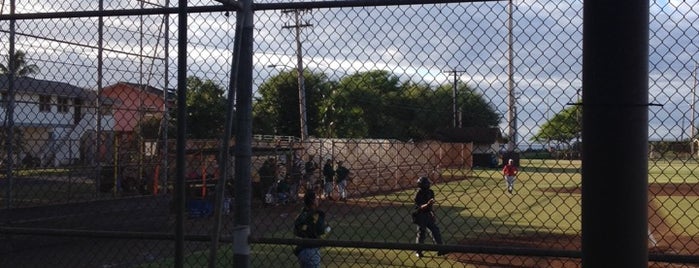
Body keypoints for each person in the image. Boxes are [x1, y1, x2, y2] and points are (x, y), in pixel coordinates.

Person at [293, 191, 330, 268]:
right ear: (313, 201)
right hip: (312, 250)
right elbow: (321, 232)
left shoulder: (301, 214)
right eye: (316, 198)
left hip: (301, 250)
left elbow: (296, 230)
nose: (317, 200)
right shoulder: (317, 214)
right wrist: (328, 229)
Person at [413, 176, 444, 258]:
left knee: (435, 230)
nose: (428, 184)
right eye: (426, 183)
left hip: (428, 214)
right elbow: (419, 207)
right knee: (421, 233)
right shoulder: (418, 194)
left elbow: (431, 206)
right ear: (422, 185)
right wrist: (428, 204)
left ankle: (440, 249)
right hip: (420, 214)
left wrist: (432, 213)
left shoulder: (431, 192)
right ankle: (418, 251)